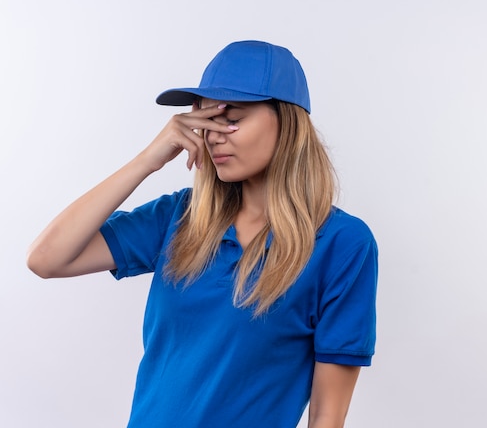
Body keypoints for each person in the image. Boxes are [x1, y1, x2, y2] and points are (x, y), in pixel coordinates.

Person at [27, 40, 377, 428]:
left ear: (287, 122)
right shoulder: (180, 217)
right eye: (205, 120)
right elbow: (46, 258)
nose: (212, 136)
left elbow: (327, 416)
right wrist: (148, 159)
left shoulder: (343, 244)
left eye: (231, 119)